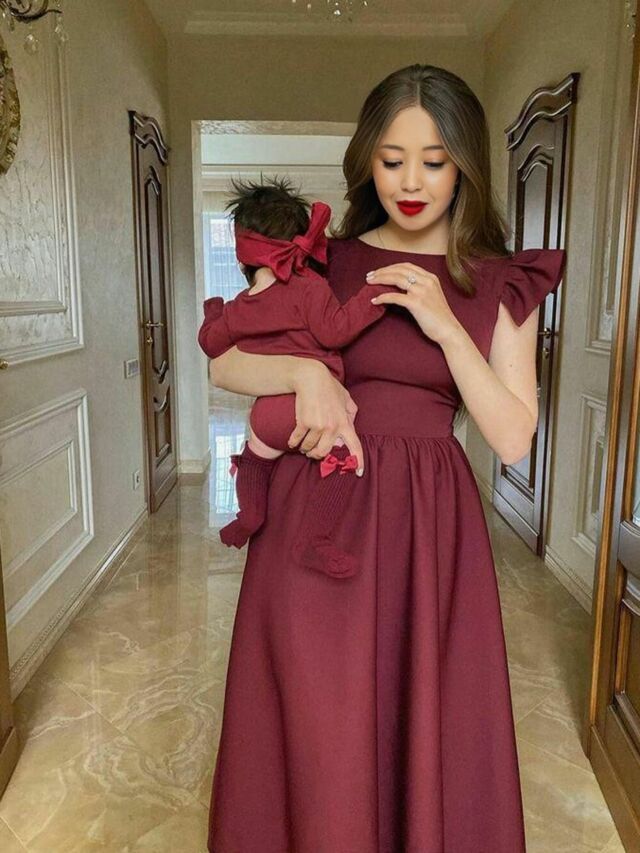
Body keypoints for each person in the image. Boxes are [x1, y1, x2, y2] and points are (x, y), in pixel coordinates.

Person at [206, 63, 567, 853]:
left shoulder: (501, 282)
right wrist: (305, 376)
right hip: (313, 522)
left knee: (419, 724)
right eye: (392, 158)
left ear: (465, 165)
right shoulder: (319, 260)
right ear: (366, 159)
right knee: (319, 727)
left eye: (434, 161)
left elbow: (513, 436)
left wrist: (446, 326)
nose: (410, 182)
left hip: (425, 532)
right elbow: (224, 361)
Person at [198, 177, 396, 576]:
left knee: (256, 461)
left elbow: (210, 343)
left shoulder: (239, 305)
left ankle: (249, 516)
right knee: (345, 460)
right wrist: (371, 298)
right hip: (306, 410)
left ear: (242, 261)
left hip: (264, 418)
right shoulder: (309, 287)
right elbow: (335, 331)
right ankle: (314, 539)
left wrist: (214, 312)